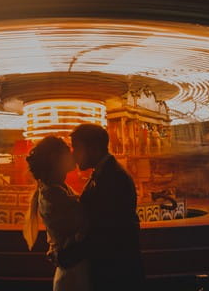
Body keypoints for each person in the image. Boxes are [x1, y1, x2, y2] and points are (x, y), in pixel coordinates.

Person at [55, 123, 146, 291]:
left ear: (93, 147)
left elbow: (105, 233)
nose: (73, 155)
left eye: (76, 148)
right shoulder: (106, 173)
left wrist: (67, 256)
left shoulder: (113, 178)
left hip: (115, 274)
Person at [23, 135, 92, 291]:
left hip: (73, 271)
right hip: (74, 275)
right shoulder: (54, 195)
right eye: (68, 151)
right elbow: (87, 222)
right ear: (56, 159)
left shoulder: (58, 189)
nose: (73, 154)